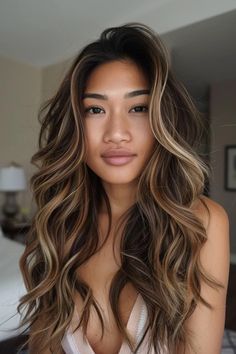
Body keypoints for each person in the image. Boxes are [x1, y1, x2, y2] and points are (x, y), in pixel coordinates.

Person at [18, 23, 230, 354]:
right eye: (96, 109)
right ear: (76, 125)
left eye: (138, 108)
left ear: (163, 119)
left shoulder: (201, 223)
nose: (116, 132)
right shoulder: (59, 224)